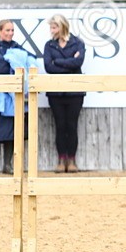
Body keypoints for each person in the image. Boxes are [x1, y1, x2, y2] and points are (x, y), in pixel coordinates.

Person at [0, 19, 39, 174]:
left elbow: (28, 58)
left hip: (14, 97)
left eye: (12, 30)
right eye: (7, 30)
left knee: (13, 131)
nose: (10, 33)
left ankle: (7, 165)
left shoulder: (15, 47)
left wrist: (20, 60)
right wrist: (14, 59)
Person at [43, 14, 87, 173]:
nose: (52, 30)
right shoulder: (49, 45)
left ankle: (72, 160)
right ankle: (61, 160)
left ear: (62, 27)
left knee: (72, 126)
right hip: (56, 93)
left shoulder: (77, 43)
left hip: (75, 92)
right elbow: (49, 67)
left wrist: (59, 62)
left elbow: (78, 63)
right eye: (51, 27)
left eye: (54, 27)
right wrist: (69, 62)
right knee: (60, 126)